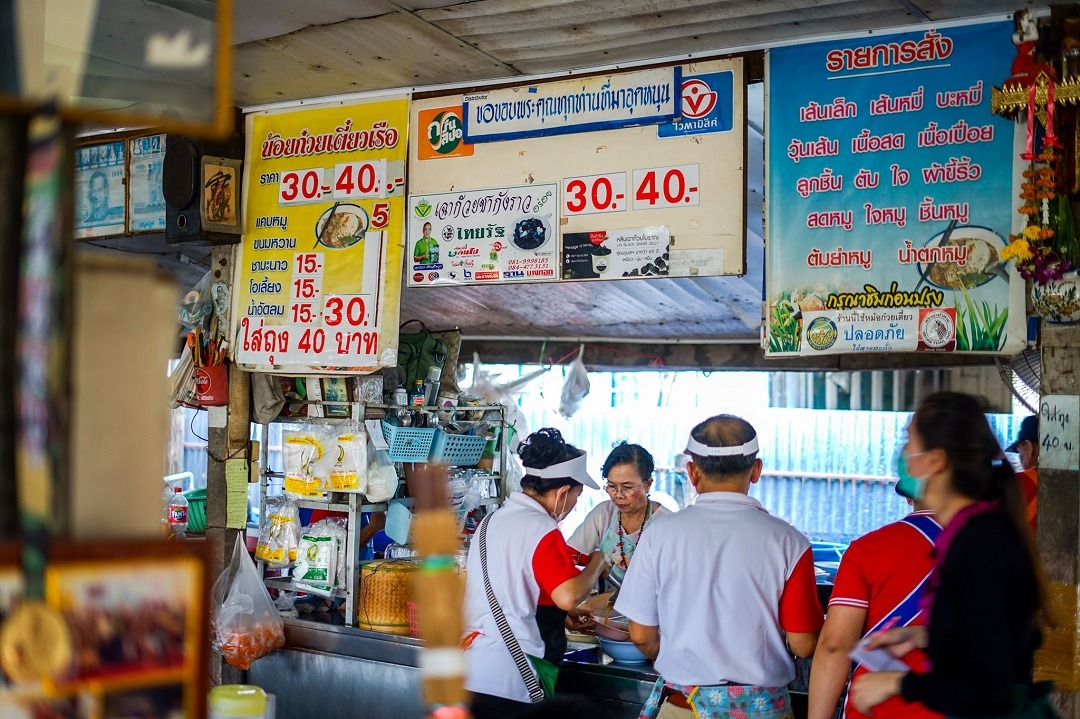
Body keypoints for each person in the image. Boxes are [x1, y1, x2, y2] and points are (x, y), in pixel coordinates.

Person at [851, 392, 1052, 719]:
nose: (903, 454)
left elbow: (989, 690)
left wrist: (898, 684)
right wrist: (926, 636)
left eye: (908, 441)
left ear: (936, 461)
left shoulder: (980, 543)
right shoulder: (973, 532)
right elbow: (1003, 634)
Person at [616, 414, 823, 719]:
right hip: (762, 710)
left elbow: (641, 634)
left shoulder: (658, 535)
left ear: (692, 472)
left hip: (683, 705)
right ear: (756, 470)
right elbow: (804, 645)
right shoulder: (790, 542)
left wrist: (686, 663)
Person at [463, 428, 610, 718]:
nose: (574, 505)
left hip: (472, 671)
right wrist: (597, 563)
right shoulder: (541, 528)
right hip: (514, 679)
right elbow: (568, 595)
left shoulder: (491, 521)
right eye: (577, 496)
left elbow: (513, 587)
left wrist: (561, 617)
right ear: (563, 492)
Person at [807, 473, 943, 719]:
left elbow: (835, 646)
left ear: (910, 496)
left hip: (878, 708)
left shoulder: (866, 550)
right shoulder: (998, 551)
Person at [567, 442, 671, 583]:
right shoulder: (604, 513)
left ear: (648, 484)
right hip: (604, 602)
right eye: (612, 486)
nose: (618, 495)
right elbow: (570, 554)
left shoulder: (667, 524)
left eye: (627, 487)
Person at [1006, 415, 1039, 533]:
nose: (1020, 460)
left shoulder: (1018, 483)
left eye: (1020, 453)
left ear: (1029, 448)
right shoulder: (1072, 481)